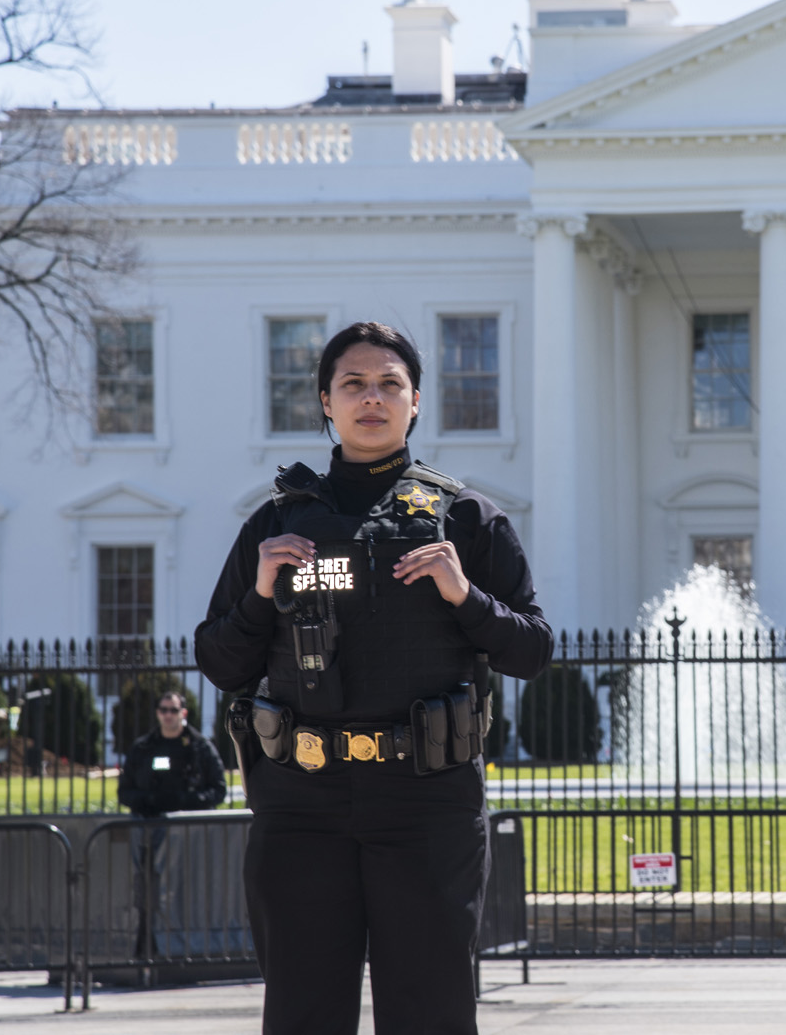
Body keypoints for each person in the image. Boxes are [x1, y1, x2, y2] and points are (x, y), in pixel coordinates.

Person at [195, 321, 551, 1035]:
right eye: (353, 384)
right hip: (300, 804)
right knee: (303, 1012)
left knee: (430, 1014)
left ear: (415, 402)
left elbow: (532, 651)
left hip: (426, 803)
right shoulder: (275, 526)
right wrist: (262, 592)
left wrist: (464, 595)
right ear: (326, 402)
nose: (372, 399)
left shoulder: (467, 522)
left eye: (389, 384)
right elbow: (220, 663)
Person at [117, 691, 228, 816]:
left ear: (183, 713)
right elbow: (124, 792)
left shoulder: (201, 747)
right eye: (163, 710)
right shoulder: (142, 748)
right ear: (158, 712)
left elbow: (219, 790)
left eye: (174, 710)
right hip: (149, 823)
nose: (168, 714)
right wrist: (150, 799)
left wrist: (185, 800)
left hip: (192, 824)